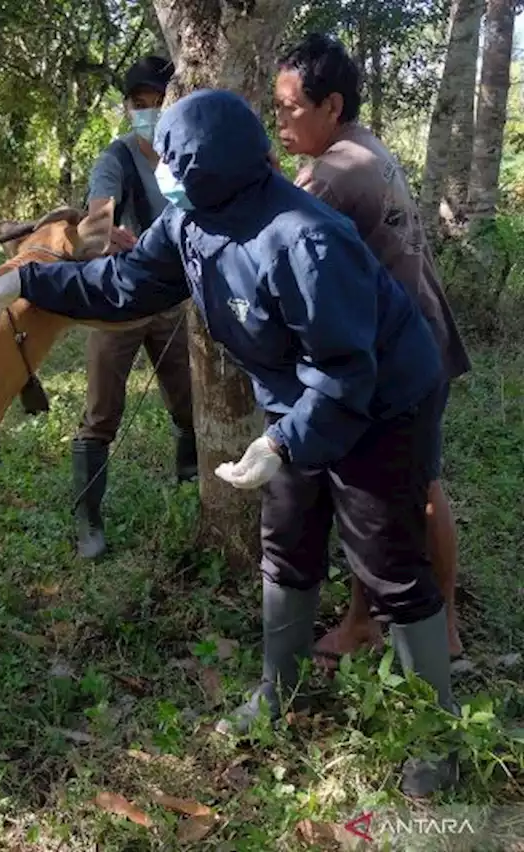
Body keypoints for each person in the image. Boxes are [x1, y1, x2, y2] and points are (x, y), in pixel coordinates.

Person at [0, 88, 459, 797]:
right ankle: (276, 692)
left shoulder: (304, 238)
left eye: (170, 158)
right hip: (298, 400)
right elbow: (127, 282)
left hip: (381, 406)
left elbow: (346, 369)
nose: (160, 169)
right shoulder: (191, 219)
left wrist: (285, 445)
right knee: (287, 541)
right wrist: (27, 279)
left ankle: (435, 737)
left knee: (388, 563)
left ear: (203, 166)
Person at [273, 33, 472, 668]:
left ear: (331, 105)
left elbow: (278, 249)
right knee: (397, 485)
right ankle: (377, 621)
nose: (279, 120)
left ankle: (432, 629)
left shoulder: (328, 175)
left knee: (404, 490)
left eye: (290, 108)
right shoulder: (367, 147)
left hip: (399, 356)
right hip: (422, 338)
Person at [70, 55, 198, 561]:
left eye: (157, 102)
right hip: (119, 302)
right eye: (138, 103)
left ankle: (190, 488)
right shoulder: (117, 158)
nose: (148, 112)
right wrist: (99, 234)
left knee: (190, 407)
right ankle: (88, 522)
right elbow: (96, 218)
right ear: (128, 107)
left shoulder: (186, 157)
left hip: (174, 302)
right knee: (101, 414)